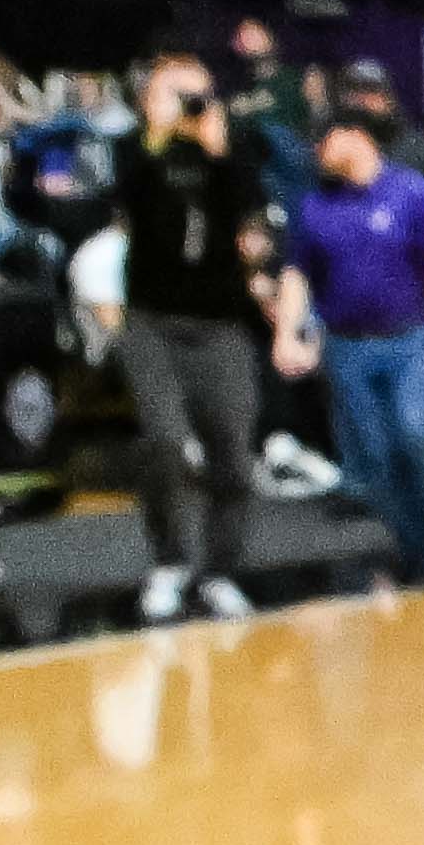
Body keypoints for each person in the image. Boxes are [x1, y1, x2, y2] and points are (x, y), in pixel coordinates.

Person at [271, 108, 424, 593]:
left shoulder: (411, 193)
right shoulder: (314, 206)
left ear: (353, 137)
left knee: (416, 437)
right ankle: (418, 551)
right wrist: (287, 333)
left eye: (322, 141)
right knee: (375, 460)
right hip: (348, 347)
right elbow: (297, 273)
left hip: (408, 340)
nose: (316, 153)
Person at [109, 56, 283, 624]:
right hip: (153, 321)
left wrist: (219, 151)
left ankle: (219, 571)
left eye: (198, 93)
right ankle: (169, 561)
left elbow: (249, 219)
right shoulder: (135, 149)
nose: (190, 104)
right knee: (163, 439)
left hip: (220, 324)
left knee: (234, 451)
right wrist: (159, 136)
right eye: (176, 93)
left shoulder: (228, 152)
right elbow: (130, 197)